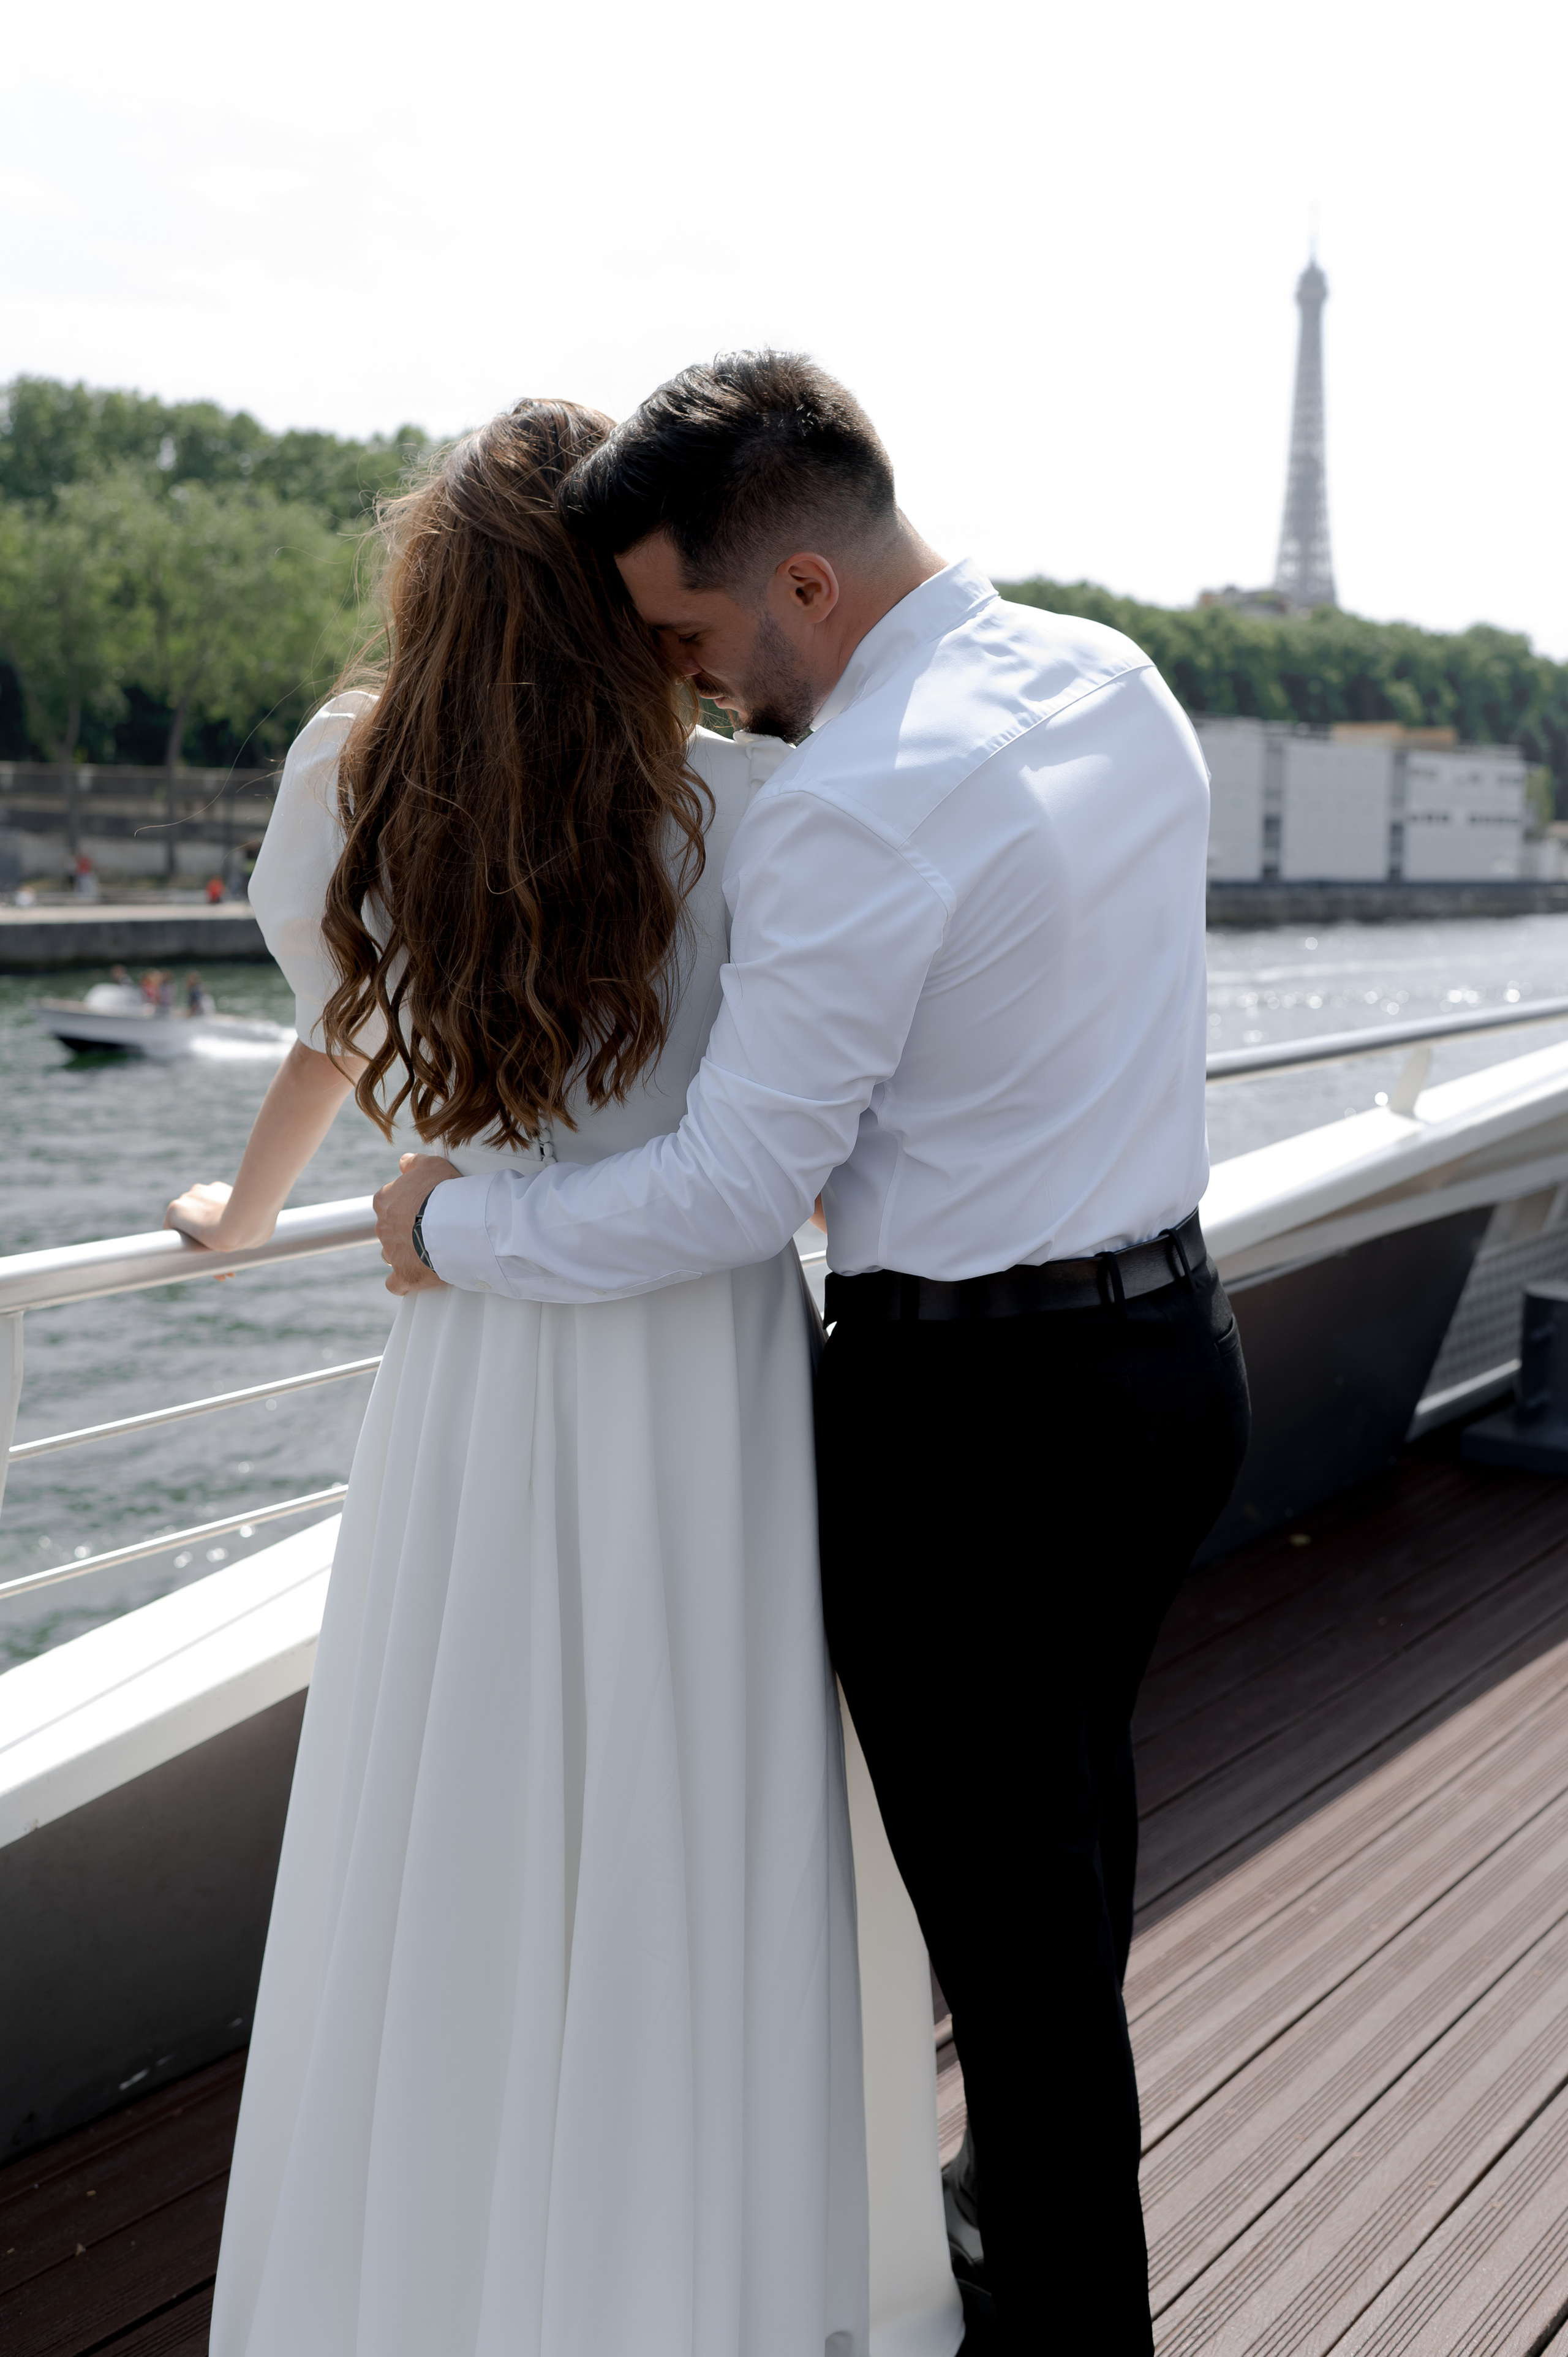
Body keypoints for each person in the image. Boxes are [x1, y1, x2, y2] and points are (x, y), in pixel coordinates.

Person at [375, 352, 1251, 2353]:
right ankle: (996, 2213)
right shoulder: (1118, 682)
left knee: (1017, 1955)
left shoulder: (855, 802)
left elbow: (726, 1187)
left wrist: (452, 1223)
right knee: (1070, 1846)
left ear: (802, 586)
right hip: (1175, 1365)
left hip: (977, 1427)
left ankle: (1065, 2315)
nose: (693, 686)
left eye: (689, 631)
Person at [165, 401, 871, 2357]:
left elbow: (352, 1023)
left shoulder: (352, 772)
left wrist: (249, 1209)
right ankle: (679, 2280)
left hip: (470, 1352)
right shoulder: (747, 807)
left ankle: (434, 2281)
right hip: (700, 1367)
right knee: (681, 1806)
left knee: (455, 1821)